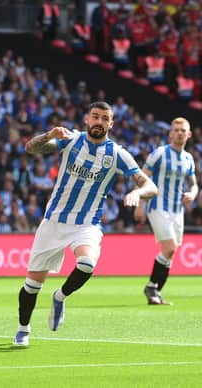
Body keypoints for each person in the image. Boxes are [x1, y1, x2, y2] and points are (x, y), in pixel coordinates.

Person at [12, 101, 157, 347]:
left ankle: (60, 296)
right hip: (54, 221)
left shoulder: (116, 154)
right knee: (33, 284)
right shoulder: (70, 140)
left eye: (104, 118)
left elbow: (150, 186)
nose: (99, 122)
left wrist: (137, 194)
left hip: (86, 224)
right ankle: (23, 329)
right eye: (95, 117)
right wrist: (49, 134)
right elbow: (30, 148)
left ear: (111, 124)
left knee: (87, 263)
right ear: (87, 120)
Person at [134, 117, 198, 305]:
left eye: (183, 130)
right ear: (170, 133)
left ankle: (154, 289)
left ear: (189, 134)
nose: (179, 133)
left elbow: (194, 185)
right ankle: (152, 288)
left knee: (171, 252)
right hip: (157, 207)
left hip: (177, 210)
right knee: (169, 248)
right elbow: (142, 178)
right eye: (176, 129)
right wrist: (139, 204)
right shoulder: (160, 154)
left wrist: (193, 194)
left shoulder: (188, 159)